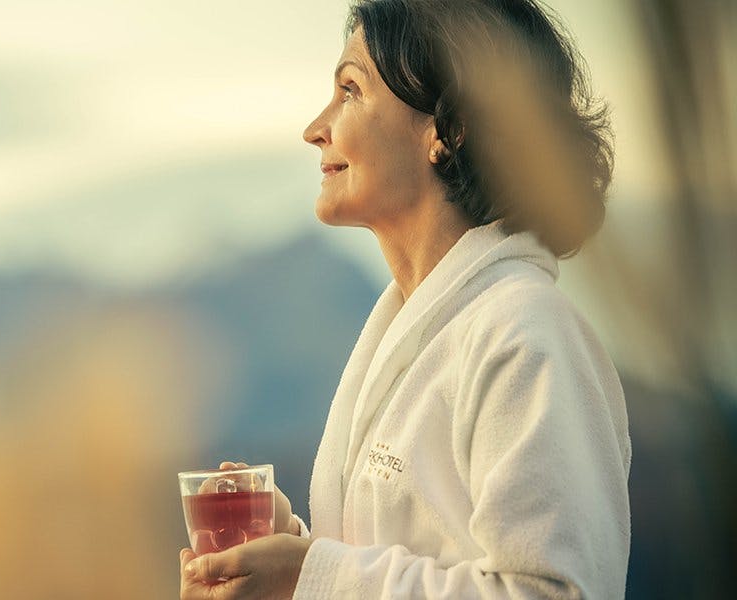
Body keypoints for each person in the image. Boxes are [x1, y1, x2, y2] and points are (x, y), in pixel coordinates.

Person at [179, 0, 631, 598]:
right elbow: (409, 559)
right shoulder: (418, 331)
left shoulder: (524, 333)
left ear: (448, 129)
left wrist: (310, 575)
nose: (315, 129)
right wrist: (289, 555)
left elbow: (552, 591)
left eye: (350, 90)